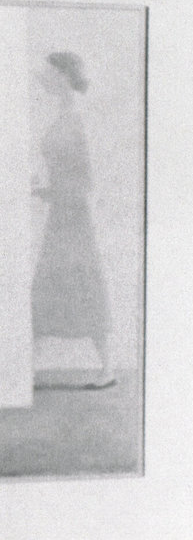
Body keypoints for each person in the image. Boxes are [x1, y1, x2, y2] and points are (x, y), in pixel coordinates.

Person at [31, 51, 115, 389]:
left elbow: (89, 177)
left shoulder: (78, 117)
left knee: (84, 286)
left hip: (77, 217)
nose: (44, 79)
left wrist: (56, 193)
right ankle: (27, 369)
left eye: (49, 74)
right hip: (62, 213)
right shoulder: (63, 115)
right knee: (47, 287)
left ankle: (108, 369)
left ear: (64, 76)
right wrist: (45, 191)